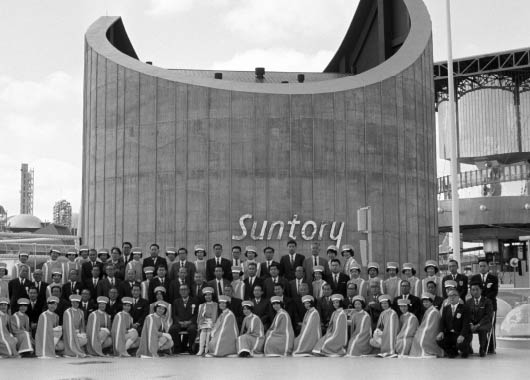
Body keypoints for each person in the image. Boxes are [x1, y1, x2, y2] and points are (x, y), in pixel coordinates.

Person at [470, 258, 498, 354]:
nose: (482, 268)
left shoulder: (494, 278)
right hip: (476, 307)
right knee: (478, 325)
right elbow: (473, 292)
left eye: (484, 266)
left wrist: (483, 300)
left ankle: (491, 348)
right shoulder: (474, 278)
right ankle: (481, 346)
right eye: (480, 266)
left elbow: (494, 292)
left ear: (488, 266)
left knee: (490, 327)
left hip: (490, 306)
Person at [436, 288, 471, 358]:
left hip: (461, 334)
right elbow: (442, 322)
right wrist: (441, 331)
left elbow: (466, 324)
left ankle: (466, 350)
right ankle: (452, 352)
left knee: (460, 344)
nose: (451, 297)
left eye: (454, 295)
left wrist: (462, 335)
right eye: (449, 296)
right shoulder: (446, 308)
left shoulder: (465, 308)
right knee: (439, 340)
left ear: (458, 297)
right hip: (450, 334)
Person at [409, 293, 443, 357]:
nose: (425, 303)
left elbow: (431, 326)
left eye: (427, 302)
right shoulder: (428, 310)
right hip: (427, 330)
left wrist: (420, 331)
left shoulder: (433, 311)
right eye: (424, 302)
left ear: (431, 302)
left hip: (431, 333)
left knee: (420, 338)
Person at [466, 281, 494, 357]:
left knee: (482, 330)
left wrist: (478, 325)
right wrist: (471, 324)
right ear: (471, 291)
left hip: (484, 323)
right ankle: (468, 347)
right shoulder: (468, 302)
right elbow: (467, 315)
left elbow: (488, 316)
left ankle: (482, 348)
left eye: (477, 289)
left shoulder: (487, 301)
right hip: (472, 324)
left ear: (481, 290)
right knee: (465, 328)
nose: (475, 292)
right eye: (473, 290)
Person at [169, 284, 198, 354]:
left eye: (185, 289)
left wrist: (190, 322)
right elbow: (174, 314)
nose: (183, 291)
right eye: (181, 290)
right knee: (173, 329)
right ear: (179, 291)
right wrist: (179, 322)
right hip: (179, 323)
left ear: (188, 291)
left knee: (192, 329)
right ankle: (178, 347)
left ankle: (190, 347)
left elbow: (196, 314)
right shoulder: (176, 301)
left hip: (190, 323)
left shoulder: (194, 301)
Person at [196, 287, 218, 356]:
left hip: (213, 321)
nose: (207, 296)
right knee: (203, 330)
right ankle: (201, 349)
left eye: (209, 295)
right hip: (204, 321)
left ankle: (207, 349)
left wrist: (212, 323)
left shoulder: (215, 304)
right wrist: (200, 323)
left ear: (212, 296)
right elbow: (200, 316)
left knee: (209, 330)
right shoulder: (202, 305)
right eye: (206, 295)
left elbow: (215, 316)